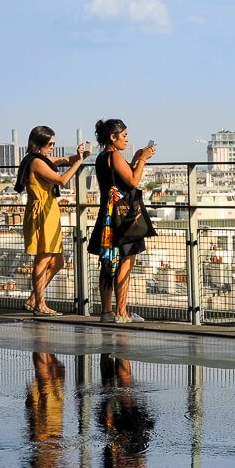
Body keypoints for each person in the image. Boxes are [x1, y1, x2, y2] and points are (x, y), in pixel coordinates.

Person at [87, 119, 156, 323]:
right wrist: (143, 159)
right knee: (126, 262)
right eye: (124, 135)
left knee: (108, 262)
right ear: (113, 137)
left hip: (107, 214)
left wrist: (133, 162)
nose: (127, 139)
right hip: (124, 218)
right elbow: (133, 181)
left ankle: (107, 312)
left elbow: (119, 180)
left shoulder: (101, 157)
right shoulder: (115, 155)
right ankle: (122, 312)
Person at [16, 125, 90, 316]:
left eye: (53, 144)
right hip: (42, 213)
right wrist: (78, 163)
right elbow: (62, 180)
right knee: (43, 258)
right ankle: (40, 304)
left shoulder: (41, 159)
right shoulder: (36, 162)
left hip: (49, 212)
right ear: (38, 144)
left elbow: (64, 160)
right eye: (50, 144)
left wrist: (80, 155)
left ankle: (34, 299)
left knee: (57, 262)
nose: (52, 147)